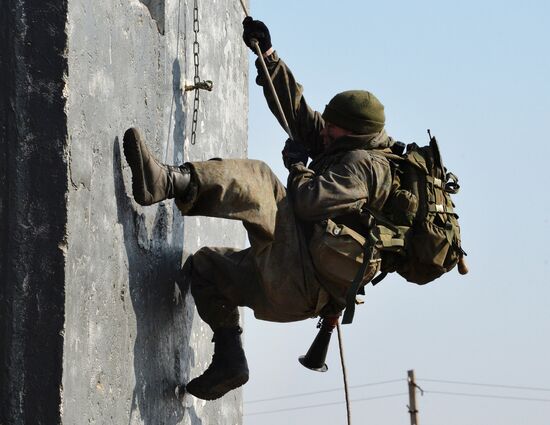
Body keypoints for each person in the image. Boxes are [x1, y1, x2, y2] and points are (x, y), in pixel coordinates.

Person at [122, 17, 395, 401]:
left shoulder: (367, 167)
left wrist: (297, 166)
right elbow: (300, 118)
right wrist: (268, 57)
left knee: (263, 182)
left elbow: (306, 202)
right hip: (289, 290)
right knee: (206, 268)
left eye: (334, 128)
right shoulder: (347, 146)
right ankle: (230, 358)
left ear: (355, 133)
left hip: (303, 278)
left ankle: (165, 182)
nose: (326, 131)